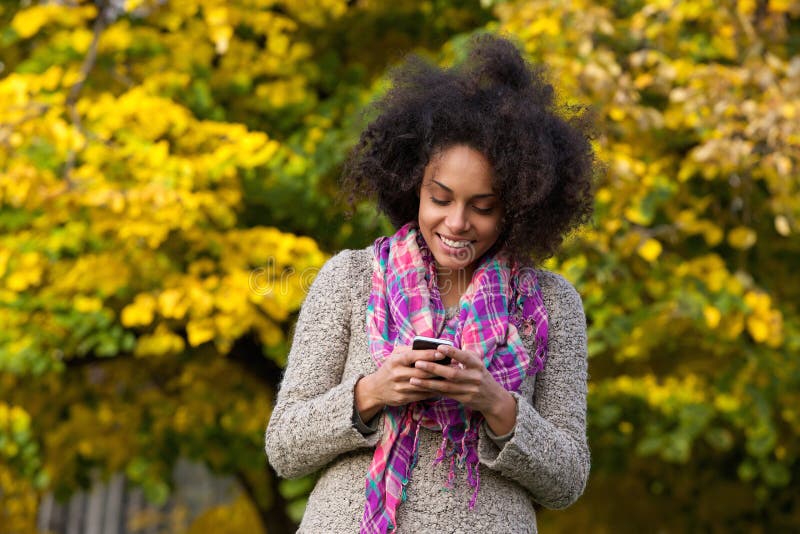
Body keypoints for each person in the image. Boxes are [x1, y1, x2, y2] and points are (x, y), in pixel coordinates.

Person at [265, 34, 595, 533]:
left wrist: (495, 402)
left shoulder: (551, 304)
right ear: (412, 187)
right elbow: (285, 447)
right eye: (440, 199)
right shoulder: (350, 278)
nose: (457, 222)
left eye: (482, 207)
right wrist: (373, 391)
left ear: (519, 207)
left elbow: (567, 481)